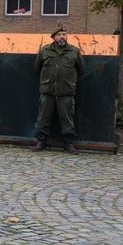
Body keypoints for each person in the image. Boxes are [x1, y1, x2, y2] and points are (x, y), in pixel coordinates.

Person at [33, 24, 84, 153]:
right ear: (53, 37)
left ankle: (68, 143)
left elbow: (81, 70)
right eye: (59, 34)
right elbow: (36, 68)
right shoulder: (44, 51)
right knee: (43, 118)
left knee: (67, 119)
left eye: (64, 34)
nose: (62, 37)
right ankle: (41, 141)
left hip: (66, 91)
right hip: (48, 91)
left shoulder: (74, 51)